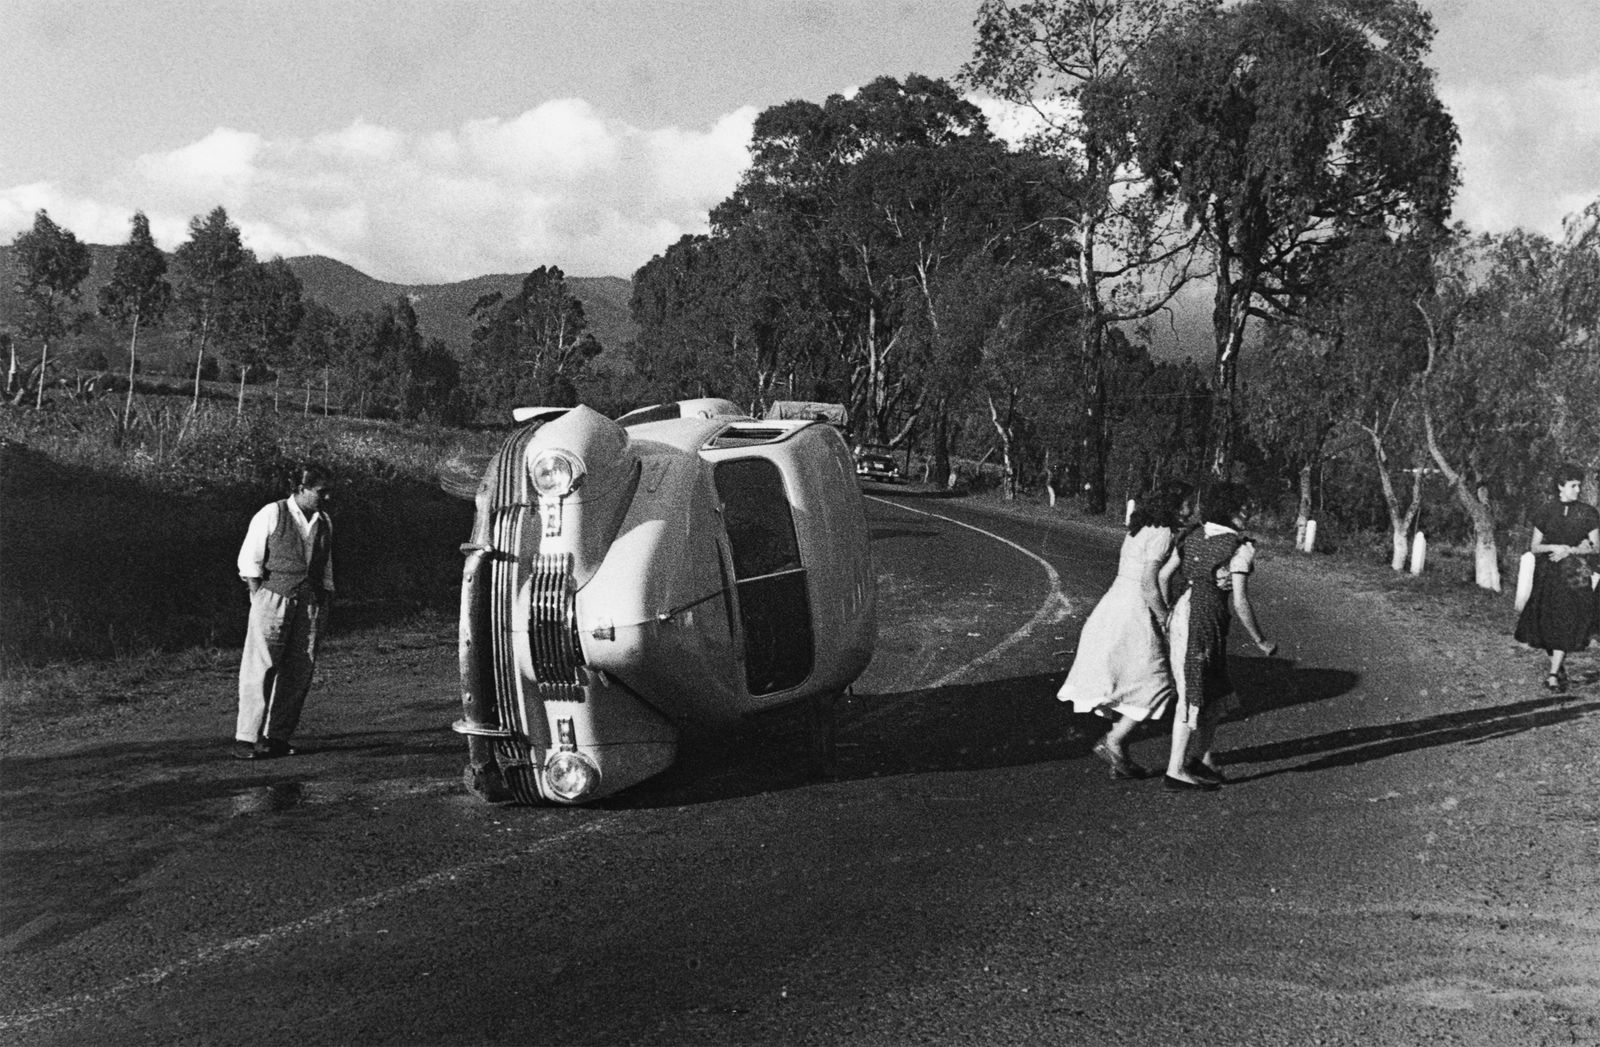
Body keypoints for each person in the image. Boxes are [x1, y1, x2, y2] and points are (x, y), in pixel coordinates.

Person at [1058, 480, 1195, 779]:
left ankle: (1117, 750)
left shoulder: (1142, 528)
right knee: (1157, 683)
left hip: (1115, 604)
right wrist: (1165, 619)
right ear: (1172, 505)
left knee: (1130, 676)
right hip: (1135, 610)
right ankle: (1115, 740)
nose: (1191, 509)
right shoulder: (1162, 533)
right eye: (1187, 503)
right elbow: (1149, 583)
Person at [1163, 482, 1276, 792]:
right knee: (1195, 690)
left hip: (1183, 614)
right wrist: (1260, 640)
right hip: (1206, 619)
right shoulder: (1238, 548)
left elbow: (1164, 576)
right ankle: (1175, 770)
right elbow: (1240, 601)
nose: (1247, 515)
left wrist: (1165, 614)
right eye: (1243, 509)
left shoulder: (1191, 536)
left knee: (1206, 688)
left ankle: (1196, 759)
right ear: (1230, 510)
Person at [233, 465, 335, 759]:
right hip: (273, 597)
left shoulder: (324, 520)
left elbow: (326, 566)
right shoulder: (272, 513)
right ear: (301, 489)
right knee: (261, 667)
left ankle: (275, 736)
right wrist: (260, 599)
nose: (326, 496)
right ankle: (246, 738)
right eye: (321, 491)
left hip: (311, 603)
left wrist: (324, 599)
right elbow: (250, 561)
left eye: (329, 491)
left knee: (299, 669)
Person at [1514, 465, 1599, 693]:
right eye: (1573, 485)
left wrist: (1569, 551)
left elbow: (1596, 546)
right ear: (1561, 486)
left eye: (1579, 485)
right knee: (1547, 622)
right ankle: (1558, 666)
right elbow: (1534, 546)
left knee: (1567, 620)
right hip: (1547, 574)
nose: (1578, 489)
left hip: (1574, 576)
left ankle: (1553, 674)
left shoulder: (1588, 512)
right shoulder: (1545, 511)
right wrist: (1554, 546)